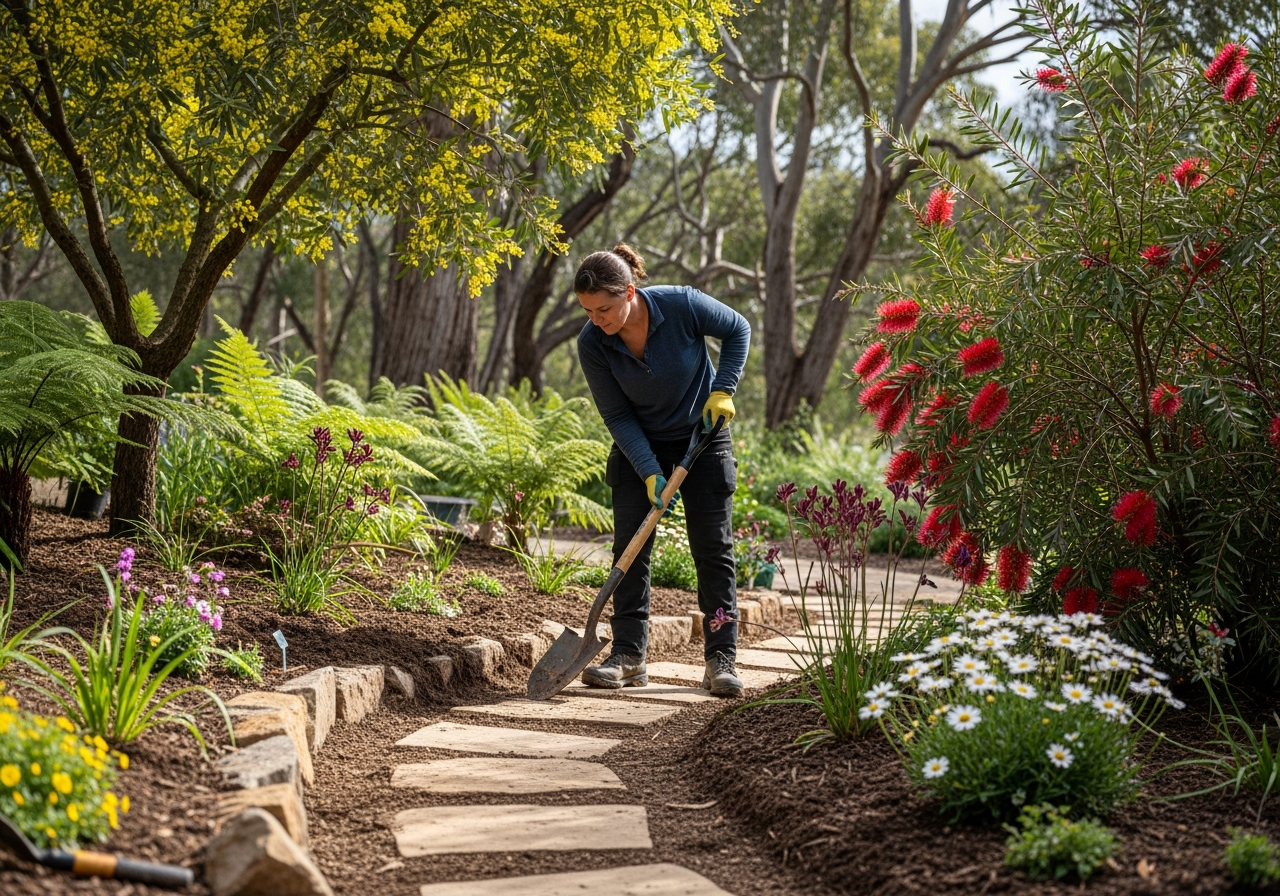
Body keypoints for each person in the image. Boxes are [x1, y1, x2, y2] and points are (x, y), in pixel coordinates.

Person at [575, 244, 750, 698]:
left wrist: (723, 389)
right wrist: (651, 471)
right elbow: (617, 416)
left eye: (606, 308)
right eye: (589, 311)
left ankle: (720, 657)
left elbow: (738, 329)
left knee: (714, 550)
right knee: (630, 550)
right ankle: (629, 655)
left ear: (630, 292)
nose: (599, 320)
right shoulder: (593, 343)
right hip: (640, 447)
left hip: (702, 437)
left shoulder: (682, 304)